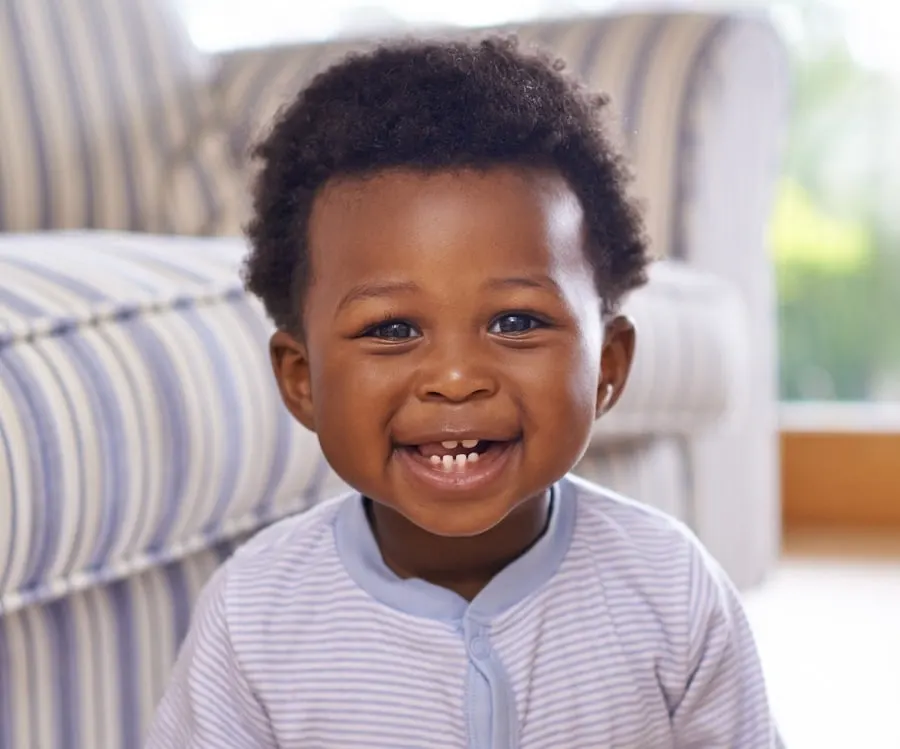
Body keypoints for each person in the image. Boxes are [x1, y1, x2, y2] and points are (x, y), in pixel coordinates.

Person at [145, 35, 783, 748]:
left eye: (515, 321)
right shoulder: (257, 612)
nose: (455, 378)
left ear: (607, 365)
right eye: (390, 328)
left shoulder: (672, 587)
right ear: (302, 380)